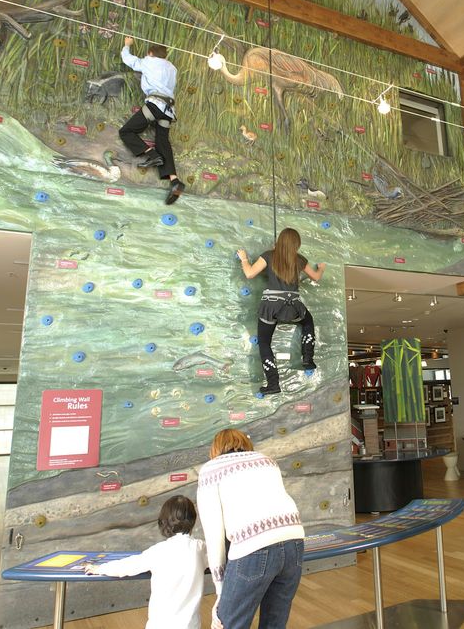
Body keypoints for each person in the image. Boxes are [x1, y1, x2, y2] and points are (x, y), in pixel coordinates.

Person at [197, 429, 304, 629]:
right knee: (275, 623)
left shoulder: (210, 469)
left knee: (227, 623)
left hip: (253, 547)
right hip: (295, 542)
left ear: (215, 448)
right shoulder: (268, 461)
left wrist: (221, 590)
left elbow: (214, 536)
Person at [83, 495, 207, 628]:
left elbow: (127, 566)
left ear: (164, 521)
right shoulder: (201, 548)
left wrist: (99, 568)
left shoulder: (158, 551)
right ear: (193, 520)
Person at [238, 228, 325, 395]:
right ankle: (307, 360)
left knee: (264, 343)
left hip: (271, 306)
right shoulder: (299, 259)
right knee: (308, 323)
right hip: (293, 307)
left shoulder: (269, 255)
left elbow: (249, 273)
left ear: (280, 241)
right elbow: (316, 277)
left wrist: (244, 259)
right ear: (296, 244)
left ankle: (273, 383)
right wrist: (320, 268)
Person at [118, 37, 183, 204]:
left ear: (150, 53)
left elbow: (128, 60)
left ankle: (152, 155)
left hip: (154, 105)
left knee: (126, 131)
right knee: (163, 141)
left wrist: (127, 45)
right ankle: (175, 181)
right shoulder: (172, 68)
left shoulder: (149, 61)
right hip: (169, 110)